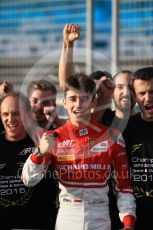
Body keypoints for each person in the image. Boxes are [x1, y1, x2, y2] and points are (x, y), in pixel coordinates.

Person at [22, 73, 136, 230]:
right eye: (73, 99)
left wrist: (129, 222)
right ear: (64, 102)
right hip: (67, 216)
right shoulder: (52, 137)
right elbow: (28, 180)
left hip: (100, 216)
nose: (78, 105)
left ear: (94, 101)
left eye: (84, 99)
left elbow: (123, 186)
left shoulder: (113, 137)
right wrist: (39, 153)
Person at [0, 91, 58, 229]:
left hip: (39, 225)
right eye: (5, 114)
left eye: (16, 113)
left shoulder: (42, 141)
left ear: (28, 115)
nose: (10, 119)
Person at [123, 66, 153, 230]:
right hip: (135, 221)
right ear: (135, 96)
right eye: (142, 93)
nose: (148, 98)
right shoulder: (126, 128)